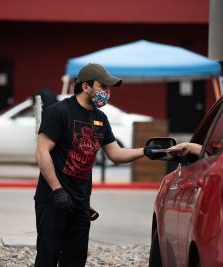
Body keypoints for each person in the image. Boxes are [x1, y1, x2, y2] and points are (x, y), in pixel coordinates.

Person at [34, 63, 149, 266]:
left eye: (108, 88)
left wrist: (146, 151)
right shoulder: (59, 112)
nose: (107, 92)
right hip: (53, 200)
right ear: (86, 87)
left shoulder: (100, 119)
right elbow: (42, 151)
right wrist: (57, 189)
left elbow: (116, 153)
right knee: (48, 258)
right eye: (102, 87)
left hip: (80, 203)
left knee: (75, 260)